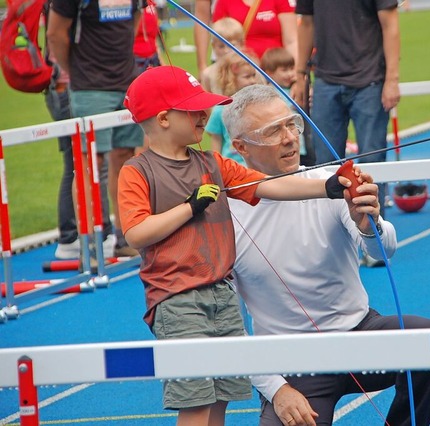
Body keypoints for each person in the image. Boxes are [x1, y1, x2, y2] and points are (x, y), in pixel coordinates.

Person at [117, 65, 360, 425]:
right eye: (194, 109)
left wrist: (328, 187)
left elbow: (268, 185)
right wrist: (189, 207)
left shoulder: (213, 163)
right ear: (164, 119)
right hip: (178, 299)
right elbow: (136, 233)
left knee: (221, 401)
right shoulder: (137, 171)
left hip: (222, 294)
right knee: (197, 402)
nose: (205, 115)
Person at [223, 84, 430, 426]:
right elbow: (227, 325)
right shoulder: (226, 215)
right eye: (272, 131)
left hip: (360, 333)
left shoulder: (330, 183)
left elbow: (382, 250)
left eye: (291, 124)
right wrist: (276, 389)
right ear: (240, 147)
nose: (289, 138)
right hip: (293, 363)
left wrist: (368, 222)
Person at [47, 0, 144, 258]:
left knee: (125, 159)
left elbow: (134, 20)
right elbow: (54, 33)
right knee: (90, 162)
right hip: (89, 87)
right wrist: (77, 72)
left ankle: (125, 237)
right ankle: (89, 245)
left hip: (126, 81)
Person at [291, 0, 401, 218]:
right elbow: (306, 23)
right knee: (324, 166)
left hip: (370, 82)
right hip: (325, 81)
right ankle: (329, 229)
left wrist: (392, 79)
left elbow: (390, 25)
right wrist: (300, 74)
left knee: (372, 163)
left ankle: (373, 231)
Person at [194, 0, 297, 78]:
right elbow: (217, 37)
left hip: (276, 74)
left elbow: (292, 40)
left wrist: (296, 73)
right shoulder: (225, 2)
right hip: (238, 75)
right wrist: (203, 67)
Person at [204, 49, 262, 165]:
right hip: (233, 169)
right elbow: (216, 146)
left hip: (258, 167)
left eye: (253, 75)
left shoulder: (259, 106)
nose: (252, 81)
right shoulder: (220, 110)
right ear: (230, 79)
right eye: (247, 77)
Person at [261, 47, 310, 162]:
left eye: (292, 68)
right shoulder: (268, 93)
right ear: (269, 73)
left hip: (300, 142)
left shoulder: (296, 89)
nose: (290, 74)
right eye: (284, 70)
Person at [134, 0, 164, 76]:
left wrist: (162, 62)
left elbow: (154, 37)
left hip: (153, 59)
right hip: (136, 61)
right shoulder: (131, 5)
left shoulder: (152, 5)